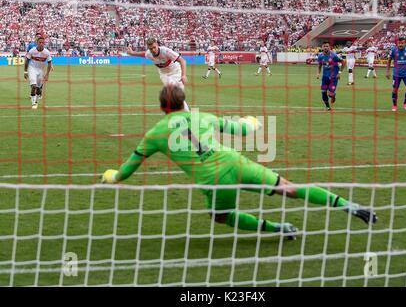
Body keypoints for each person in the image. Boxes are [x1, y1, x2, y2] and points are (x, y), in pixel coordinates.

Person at [101, 86, 377, 239]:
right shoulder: (203, 116)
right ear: (185, 103)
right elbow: (243, 129)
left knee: (219, 217)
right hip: (236, 162)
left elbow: (125, 172)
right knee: (289, 189)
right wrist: (253, 121)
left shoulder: (155, 134)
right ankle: (347, 205)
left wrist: (110, 176)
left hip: (214, 179)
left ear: (162, 108)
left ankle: (277, 228)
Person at [127, 38, 190, 110]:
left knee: (177, 96)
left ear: (157, 45)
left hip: (176, 72)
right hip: (164, 75)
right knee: (173, 93)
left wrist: (184, 75)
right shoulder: (148, 54)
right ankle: (185, 113)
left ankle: (184, 112)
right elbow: (143, 54)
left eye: (154, 47)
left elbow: (182, 61)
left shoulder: (166, 51)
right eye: (151, 49)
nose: (153, 50)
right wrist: (132, 53)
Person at [386, 37, 406, 111]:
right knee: (395, 90)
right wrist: (388, 71)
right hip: (396, 74)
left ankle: (405, 103)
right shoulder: (393, 50)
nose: (400, 45)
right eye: (399, 43)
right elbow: (389, 60)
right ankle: (394, 105)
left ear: (405, 43)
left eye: (402, 43)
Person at [24, 36, 52, 109]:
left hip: (41, 70)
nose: (41, 44)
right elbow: (26, 60)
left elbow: (49, 63)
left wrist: (47, 75)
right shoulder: (32, 51)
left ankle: (36, 101)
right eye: (40, 42)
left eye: (43, 43)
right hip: (32, 68)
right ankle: (33, 103)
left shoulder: (47, 52)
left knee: (39, 88)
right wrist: (25, 71)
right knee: (33, 86)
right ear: (37, 43)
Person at [317, 41, 345, 111]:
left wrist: (339, 72)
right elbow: (319, 65)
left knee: (330, 94)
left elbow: (344, 62)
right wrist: (318, 73)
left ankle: (333, 95)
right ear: (322, 47)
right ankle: (327, 107)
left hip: (334, 78)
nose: (326, 47)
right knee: (323, 92)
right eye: (324, 46)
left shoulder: (334, 56)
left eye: (327, 46)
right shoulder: (320, 56)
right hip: (325, 78)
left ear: (329, 47)